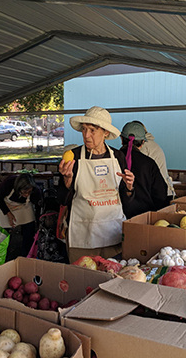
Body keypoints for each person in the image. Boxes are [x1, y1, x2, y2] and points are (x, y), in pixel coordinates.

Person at [57, 106, 135, 263]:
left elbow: (126, 200)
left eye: (92, 130)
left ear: (105, 132)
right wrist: (67, 180)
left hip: (112, 234)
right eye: (84, 130)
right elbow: (62, 199)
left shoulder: (118, 156)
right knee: (82, 280)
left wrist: (129, 187)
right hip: (83, 235)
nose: (86, 135)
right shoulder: (74, 157)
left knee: (112, 276)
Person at [119, 122, 168, 218]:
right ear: (142, 143)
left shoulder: (112, 159)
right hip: (143, 218)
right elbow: (161, 195)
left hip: (115, 218)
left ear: (121, 139)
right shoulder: (149, 163)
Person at [0, 173, 43, 257]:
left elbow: (39, 208)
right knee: (3, 234)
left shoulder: (36, 191)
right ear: (18, 188)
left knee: (29, 230)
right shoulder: (8, 183)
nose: (27, 195)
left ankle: (26, 255)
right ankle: (2, 255)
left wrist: (38, 225)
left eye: (29, 192)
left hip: (23, 207)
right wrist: (8, 213)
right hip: (6, 205)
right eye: (24, 192)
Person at [133, 120, 176, 204]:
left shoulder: (144, 147)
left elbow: (140, 172)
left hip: (159, 193)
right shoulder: (152, 144)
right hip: (165, 191)